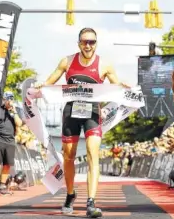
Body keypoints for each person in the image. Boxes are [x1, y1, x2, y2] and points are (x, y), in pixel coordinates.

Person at [35, 27, 129, 218]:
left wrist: (125, 86)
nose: (88, 45)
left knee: (92, 153)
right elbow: (50, 82)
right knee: (68, 156)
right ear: (79, 43)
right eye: (85, 41)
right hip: (71, 112)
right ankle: (70, 194)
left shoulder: (105, 64)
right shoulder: (67, 61)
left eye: (92, 42)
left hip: (92, 113)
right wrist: (40, 85)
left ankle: (91, 201)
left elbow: (116, 87)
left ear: (96, 43)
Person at [0, 91, 23, 195]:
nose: (10, 101)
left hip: (10, 141)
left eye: (11, 99)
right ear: (4, 100)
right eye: (8, 99)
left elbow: (19, 124)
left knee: (7, 164)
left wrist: (14, 111)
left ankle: (3, 184)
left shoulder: (16, 112)